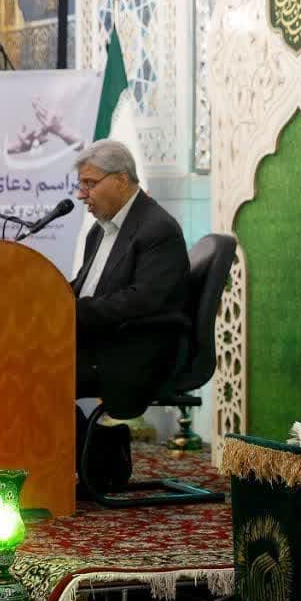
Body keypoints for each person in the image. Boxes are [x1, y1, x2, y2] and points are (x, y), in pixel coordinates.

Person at [71, 141, 189, 487]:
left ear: (121, 180)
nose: (81, 194)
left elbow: (142, 301)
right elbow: (84, 288)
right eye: (81, 184)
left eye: (90, 184)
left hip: (136, 352)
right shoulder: (100, 229)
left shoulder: (157, 229)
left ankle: (102, 459)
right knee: (18, 365)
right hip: (101, 343)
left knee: (36, 374)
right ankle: (101, 456)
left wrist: (74, 312)